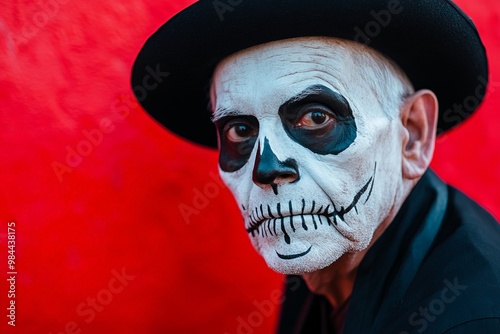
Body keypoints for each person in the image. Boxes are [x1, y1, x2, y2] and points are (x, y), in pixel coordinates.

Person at [131, 0, 500, 332]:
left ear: (413, 133)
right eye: (240, 130)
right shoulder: (323, 245)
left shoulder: (472, 318)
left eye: (315, 117)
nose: (267, 169)